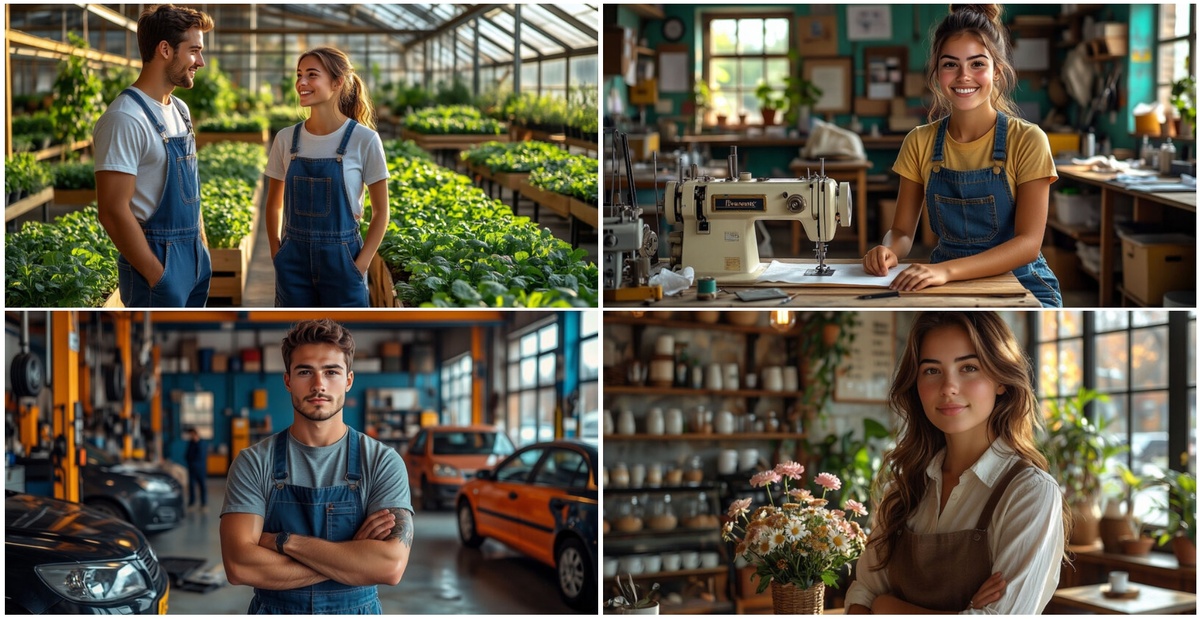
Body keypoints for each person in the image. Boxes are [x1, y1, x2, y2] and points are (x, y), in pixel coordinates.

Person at [844, 312, 1071, 614]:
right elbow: (861, 598)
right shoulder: (903, 490)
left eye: (968, 367)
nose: (949, 387)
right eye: (931, 371)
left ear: (1001, 379)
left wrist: (888, 607)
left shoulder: (1030, 493)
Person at [862, 5, 1062, 308]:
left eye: (977, 64)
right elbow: (902, 231)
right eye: (950, 65)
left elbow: (1028, 245)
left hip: (1021, 282)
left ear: (997, 70)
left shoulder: (1028, 140)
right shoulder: (919, 142)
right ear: (936, 73)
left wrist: (946, 271)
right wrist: (888, 249)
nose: (963, 76)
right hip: (944, 281)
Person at [219, 319, 412, 614]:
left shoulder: (382, 462)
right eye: (305, 371)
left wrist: (284, 541)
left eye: (331, 372)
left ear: (348, 379)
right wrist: (352, 559)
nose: (318, 384)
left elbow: (389, 567)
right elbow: (240, 566)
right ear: (287, 381)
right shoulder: (254, 462)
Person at [94, 4, 213, 307]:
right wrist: (156, 275)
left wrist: (202, 247)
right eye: (194, 51)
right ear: (164, 49)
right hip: (158, 264)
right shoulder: (125, 118)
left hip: (195, 258)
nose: (201, 61)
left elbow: (191, 189)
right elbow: (112, 211)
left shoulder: (180, 110)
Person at [265, 47, 390, 307]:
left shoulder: (364, 140)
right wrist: (277, 254)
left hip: (344, 264)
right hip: (293, 262)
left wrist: (360, 265)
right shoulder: (286, 139)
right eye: (299, 75)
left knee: (345, 337)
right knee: (298, 333)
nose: (301, 83)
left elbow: (381, 212)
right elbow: (273, 204)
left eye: (312, 75)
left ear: (337, 82)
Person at [184, 427, 208, 512]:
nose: (191, 437)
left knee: (202, 486)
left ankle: (204, 504)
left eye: (191, 435)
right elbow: (187, 454)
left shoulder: (202, 443)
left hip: (200, 468)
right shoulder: (191, 443)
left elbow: (201, 456)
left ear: (195, 434)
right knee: (191, 486)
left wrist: (193, 462)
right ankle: (191, 503)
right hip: (192, 468)